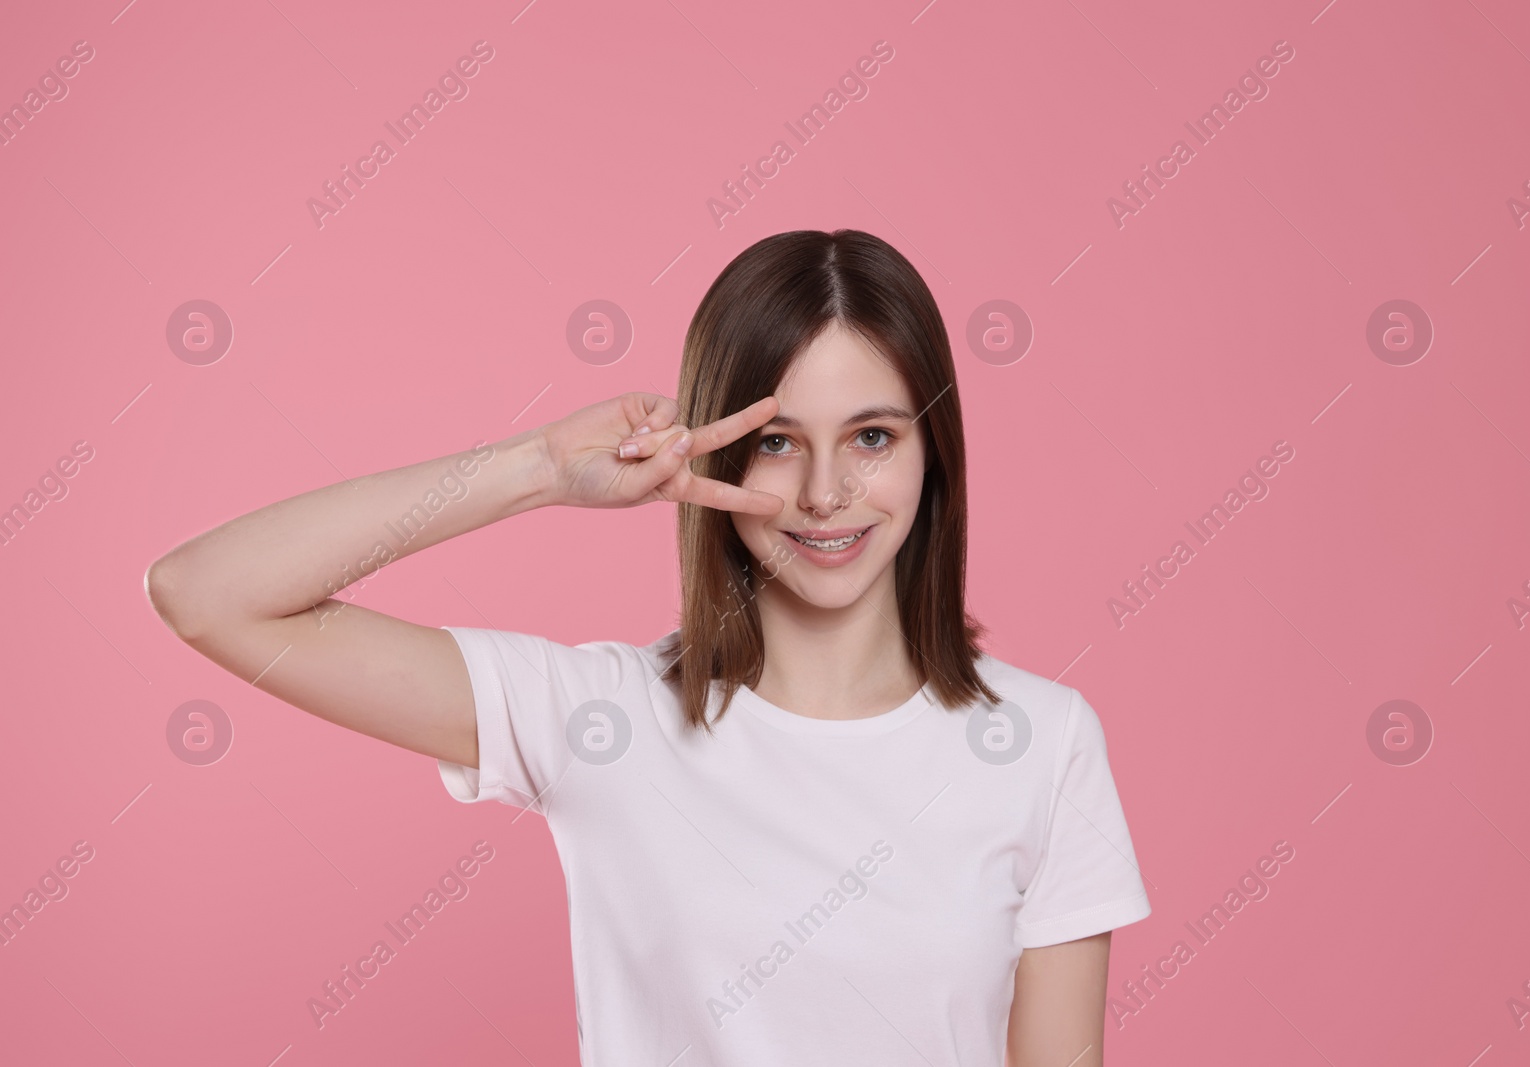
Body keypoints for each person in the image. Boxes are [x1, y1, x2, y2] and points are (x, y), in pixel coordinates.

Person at [145, 228, 1151, 1066]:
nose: (824, 493)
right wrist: (538, 466)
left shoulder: (1041, 741)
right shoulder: (599, 719)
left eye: (873, 436)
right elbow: (210, 594)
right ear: (711, 445)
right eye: (776, 437)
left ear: (935, 454)